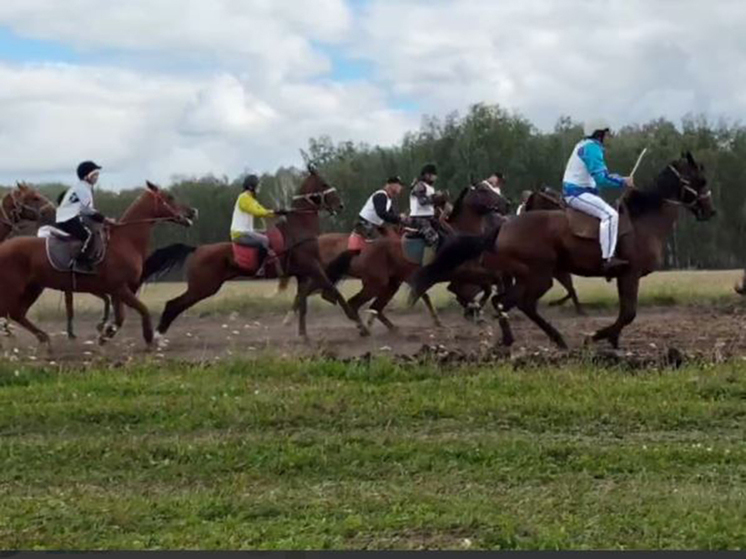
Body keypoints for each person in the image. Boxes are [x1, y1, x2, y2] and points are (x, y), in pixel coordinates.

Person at [562, 119, 634, 274]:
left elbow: (603, 175)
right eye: (606, 134)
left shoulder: (586, 146)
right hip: (577, 193)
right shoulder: (592, 149)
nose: (608, 137)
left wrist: (622, 179)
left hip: (580, 191)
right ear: (599, 134)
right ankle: (608, 259)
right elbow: (601, 179)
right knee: (610, 215)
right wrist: (622, 182)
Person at [55, 160, 111, 272]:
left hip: (69, 216)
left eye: (97, 175)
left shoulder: (83, 187)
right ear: (86, 176)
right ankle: (79, 263)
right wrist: (104, 219)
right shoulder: (83, 188)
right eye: (95, 175)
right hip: (68, 218)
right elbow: (87, 210)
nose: (97, 177)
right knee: (88, 235)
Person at [230, 174, 286, 276]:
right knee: (265, 240)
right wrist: (274, 212)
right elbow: (257, 212)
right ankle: (260, 269)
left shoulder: (251, 199)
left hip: (247, 231)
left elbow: (262, 210)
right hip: (240, 234)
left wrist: (276, 213)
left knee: (266, 235)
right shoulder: (244, 198)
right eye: (257, 185)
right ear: (251, 187)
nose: (259, 188)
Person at [354, 176, 407, 240]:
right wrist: (398, 218)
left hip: (374, 226)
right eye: (398, 185)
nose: (400, 188)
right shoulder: (381, 195)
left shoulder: (388, 199)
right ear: (390, 185)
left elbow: (391, 215)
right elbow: (381, 213)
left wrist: (400, 219)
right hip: (365, 224)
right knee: (381, 243)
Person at [409, 163, 443, 246]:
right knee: (434, 239)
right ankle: (428, 258)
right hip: (419, 218)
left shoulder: (430, 187)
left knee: (445, 233)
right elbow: (422, 201)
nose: (435, 177)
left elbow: (431, 203)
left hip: (429, 217)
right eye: (433, 175)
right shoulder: (420, 186)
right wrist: (435, 197)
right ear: (427, 175)